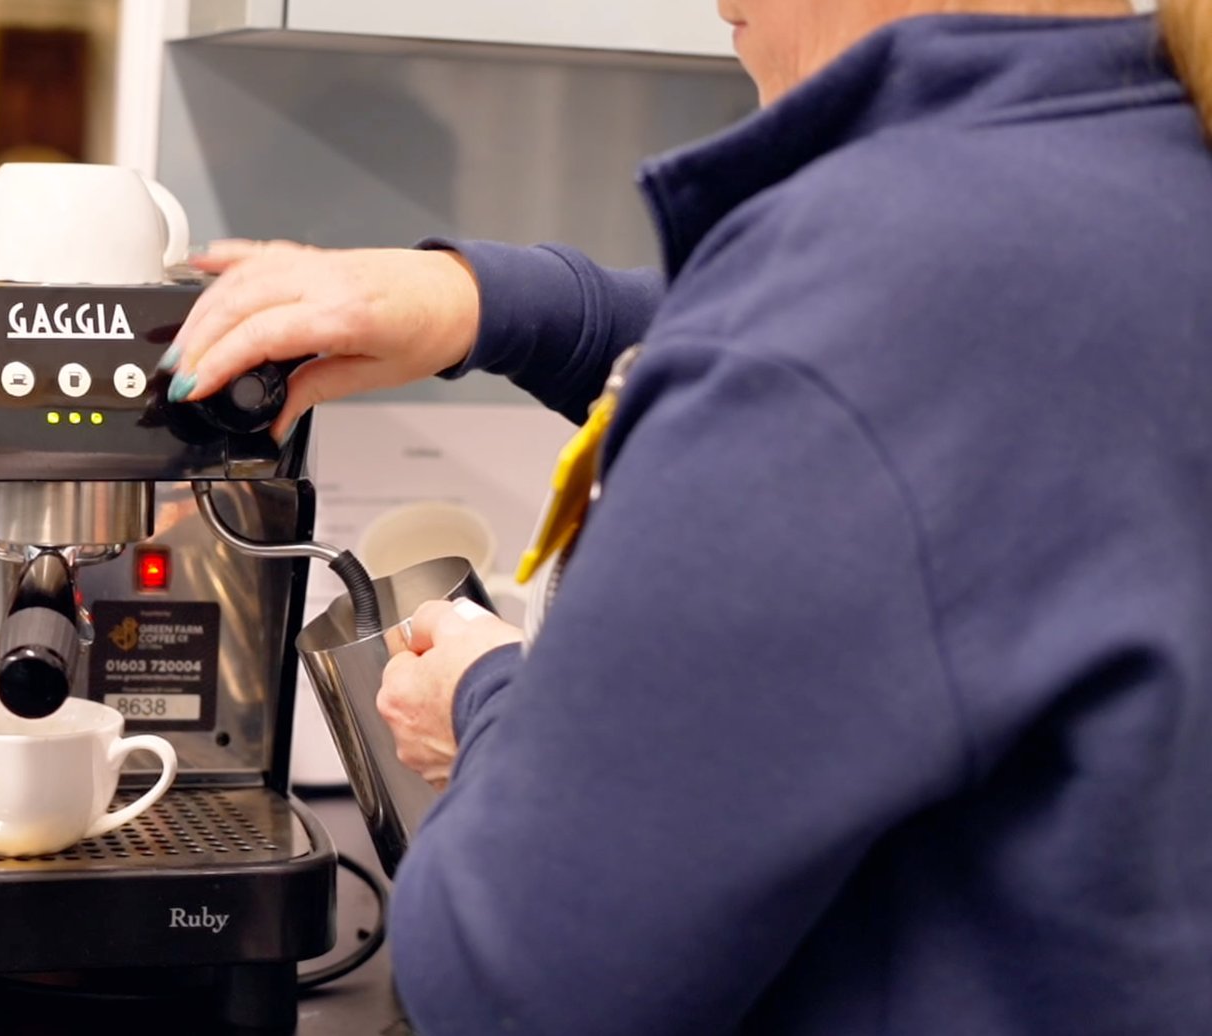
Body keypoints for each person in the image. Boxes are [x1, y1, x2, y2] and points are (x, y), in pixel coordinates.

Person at [164, 0, 1212, 1032]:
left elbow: (514, 977)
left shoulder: (868, 291)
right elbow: (842, 350)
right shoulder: (1139, 189)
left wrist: (487, 700)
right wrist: (479, 304)